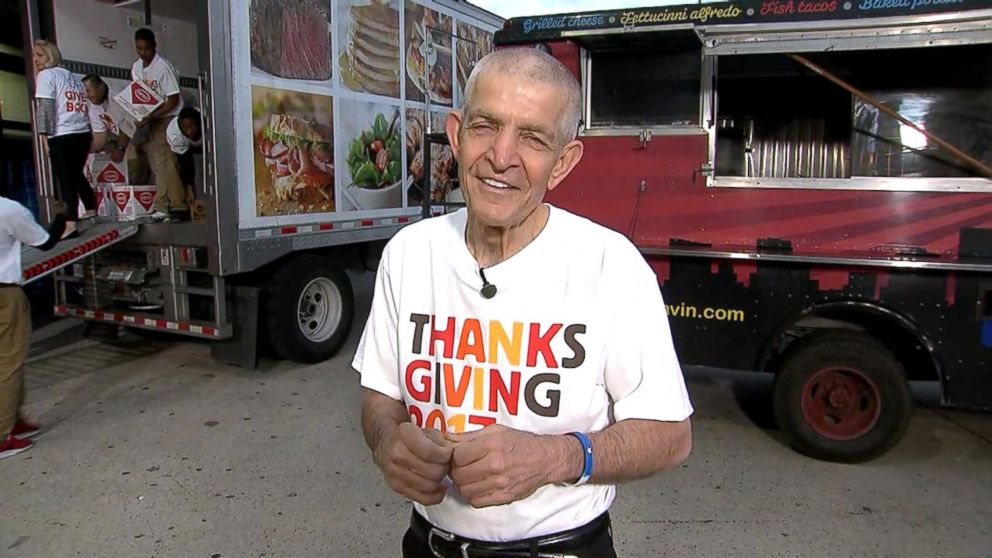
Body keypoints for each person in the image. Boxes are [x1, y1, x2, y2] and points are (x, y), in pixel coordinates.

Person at [354, 48, 693, 557]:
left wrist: (554, 458)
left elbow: (670, 436)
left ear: (563, 163)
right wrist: (387, 440)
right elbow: (380, 395)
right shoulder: (409, 253)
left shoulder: (610, 266)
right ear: (456, 134)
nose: (501, 156)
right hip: (427, 545)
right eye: (486, 126)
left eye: (532, 138)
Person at [0, 197, 66, 459]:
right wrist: (63, 218)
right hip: (4, 295)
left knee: (7, 362)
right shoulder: (8, 209)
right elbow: (45, 242)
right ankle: (3, 437)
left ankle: (14, 419)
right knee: (9, 364)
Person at [116, 28, 187, 222]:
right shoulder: (137, 68)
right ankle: (175, 205)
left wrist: (152, 115)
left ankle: (165, 205)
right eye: (139, 48)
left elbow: (173, 100)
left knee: (163, 159)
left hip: (169, 116)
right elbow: (139, 95)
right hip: (151, 117)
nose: (142, 53)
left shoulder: (163, 68)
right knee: (161, 162)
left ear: (154, 46)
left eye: (146, 49)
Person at [32, 40, 94, 239]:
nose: (35, 60)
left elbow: (46, 108)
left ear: (50, 56)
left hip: (63, 133)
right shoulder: (71, 77)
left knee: (66, 178)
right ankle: (91, 208)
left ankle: (70, 224)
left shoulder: (46, 75)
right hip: (82, 132)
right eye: (34, 55)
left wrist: (44, 136)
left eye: (39, 55)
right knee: (75, 174)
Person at [166, 106, 202, 210]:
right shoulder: (174, 134)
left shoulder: (210, 122)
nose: (189, 131)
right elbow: (186, 162)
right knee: (171, 164)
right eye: (185, 128)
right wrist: (189, 188)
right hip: (186, 146)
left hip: (209, 140)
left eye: (192, 126)